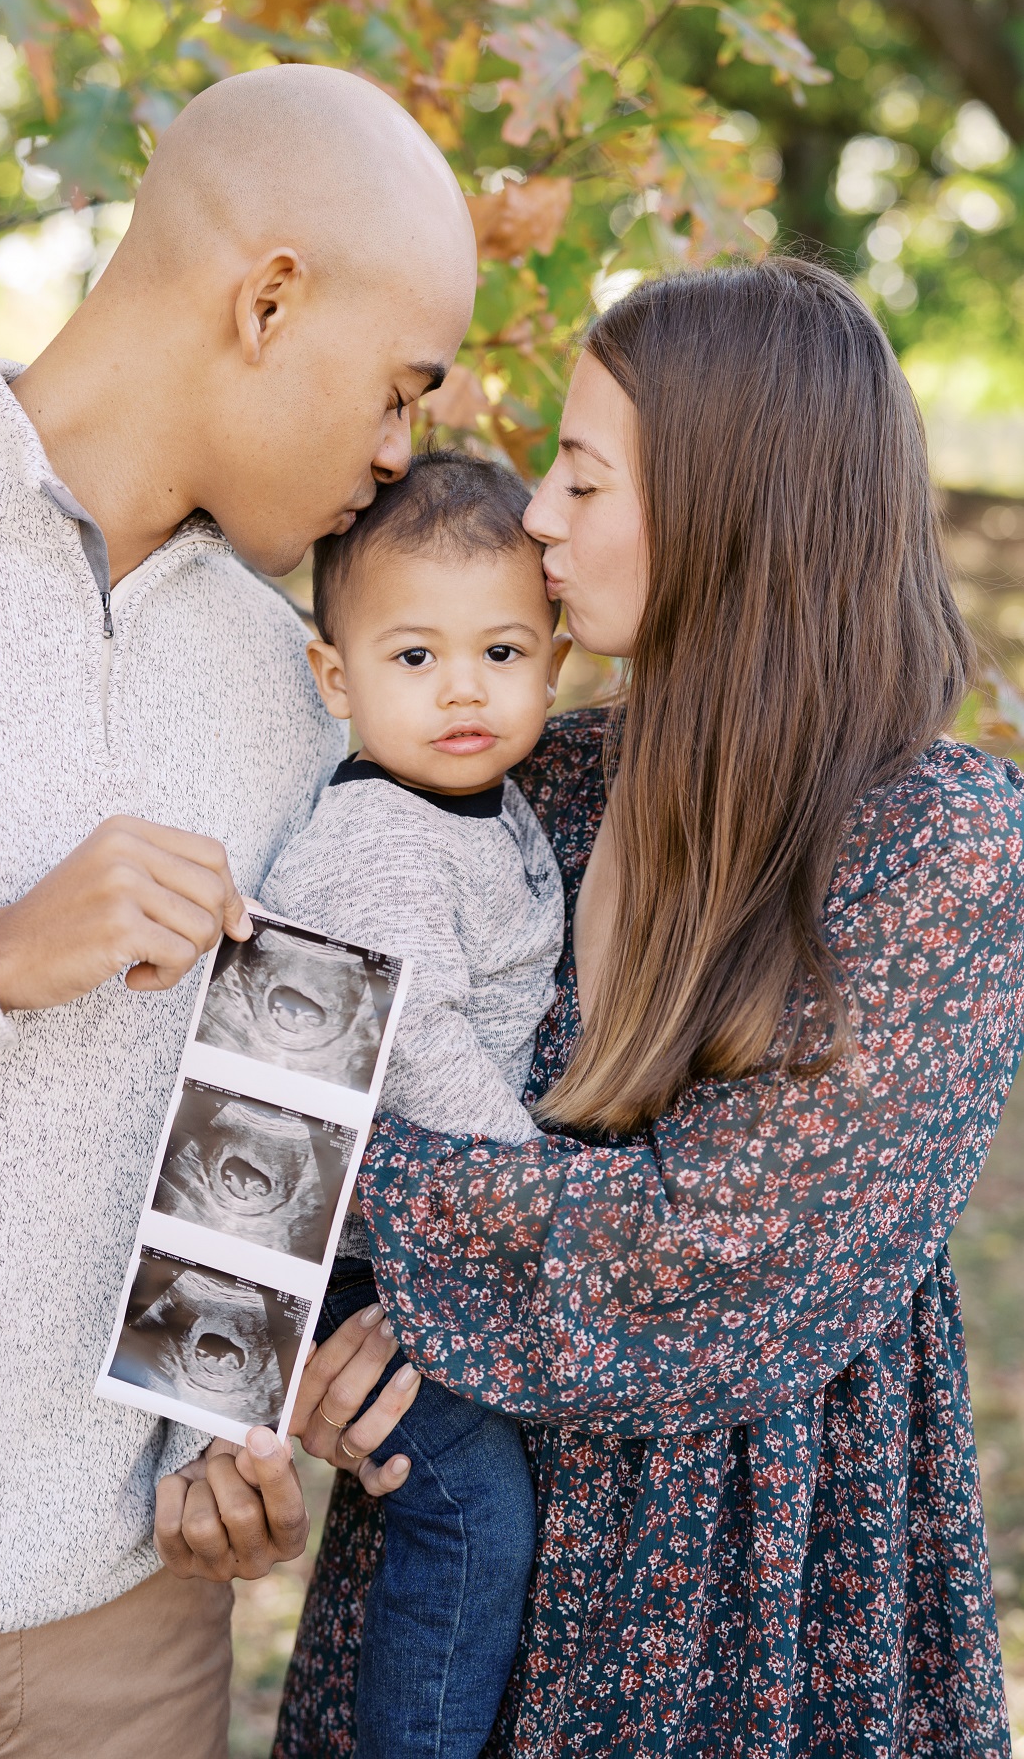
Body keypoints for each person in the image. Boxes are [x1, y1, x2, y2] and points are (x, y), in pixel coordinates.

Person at [270, 257, 1019, 1755]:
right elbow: (286, 1047)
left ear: (728, 505)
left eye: (582, 479)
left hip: (747, 1576)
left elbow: (719, 1258)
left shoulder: (937, 840)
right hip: (462, 1527)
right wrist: (290, 1340)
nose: (533, 516)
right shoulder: (525, 774)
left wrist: (350, 1214)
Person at [0, 64, 477, 1754]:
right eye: (398, 392)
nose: (400, 456)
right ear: (268, 299)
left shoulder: (303, 701)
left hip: (133, 1640)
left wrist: (221, 1449)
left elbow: (264, 1163)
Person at [257, 452, 567, 1758]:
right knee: (468, 1508)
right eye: (411, 658)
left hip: (416, 1239)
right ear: (336, 678)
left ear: (554, 659)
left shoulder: (476, 806)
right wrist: (534, 1193)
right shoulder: (380, 837)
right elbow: (414, 1038)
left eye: (499, 652)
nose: (459, 690)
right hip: (345, 1257)